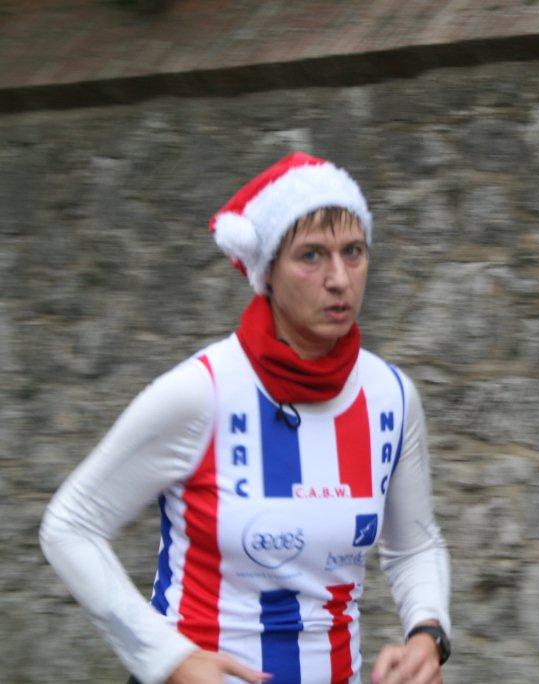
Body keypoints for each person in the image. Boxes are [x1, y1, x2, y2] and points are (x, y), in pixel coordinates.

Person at [40, 152, 451, 684]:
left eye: (353, 252)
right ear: (267, 273)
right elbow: (70, 525)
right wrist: (167, 658)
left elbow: (415, 544)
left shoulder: (392, 397)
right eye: (311, 256)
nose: (339, 279)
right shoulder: (200, 391)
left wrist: (427, 632)